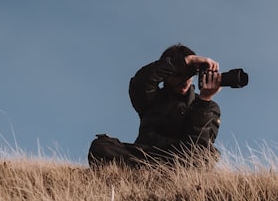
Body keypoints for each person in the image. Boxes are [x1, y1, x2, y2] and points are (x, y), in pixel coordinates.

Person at [88, 44, 223, 168]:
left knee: (204, 156)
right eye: (179, 75)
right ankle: (154, 170)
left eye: (189, 75)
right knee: (100, 146)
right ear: (166, 76)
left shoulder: (208, 107)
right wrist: (184, 62)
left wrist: (205, 100)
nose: (185, 81)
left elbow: (199, 145)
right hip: (145, 155)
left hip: (180, 160)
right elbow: (140, 83)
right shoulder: (152, 98)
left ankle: (154, 171)